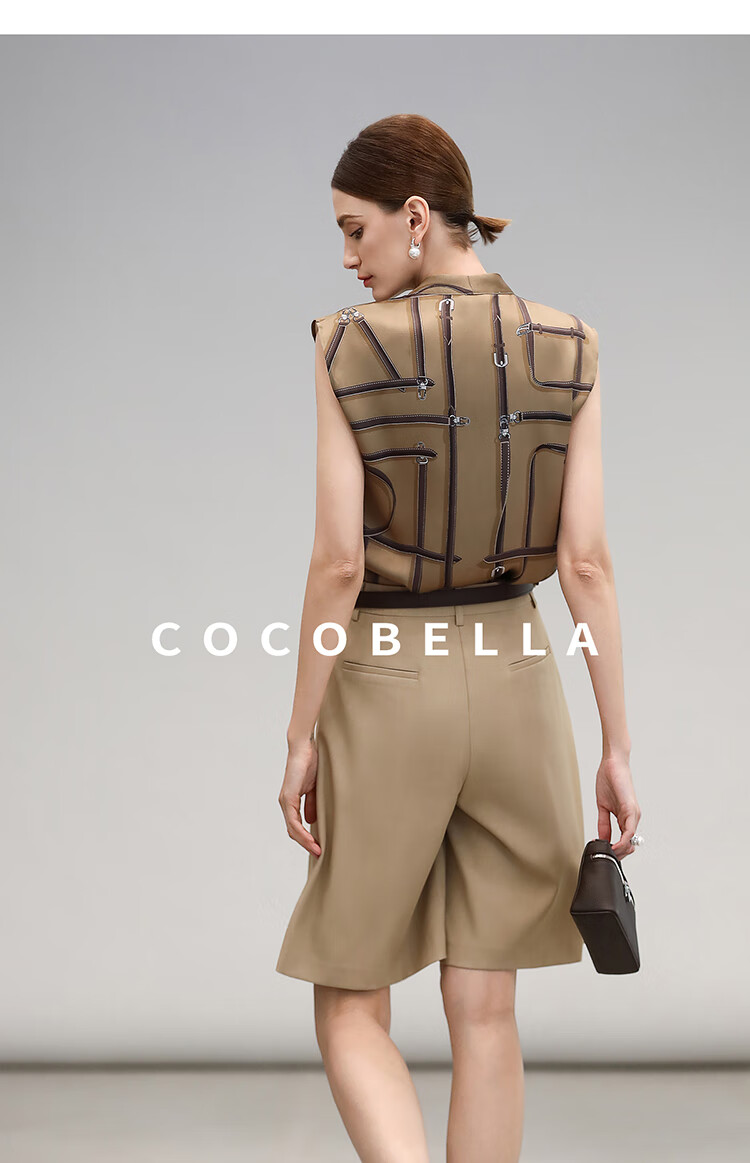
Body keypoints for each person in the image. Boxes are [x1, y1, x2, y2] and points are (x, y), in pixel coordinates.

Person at [275, 113, 641, 1163]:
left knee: (351, 1001)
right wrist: (616, 743)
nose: (349, 257)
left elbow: (338, 564)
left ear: (415, 215)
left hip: (389, 678)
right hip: (520, 675)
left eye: (355, 229)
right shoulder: (573, 343)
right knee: (486, 1008)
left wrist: (300, 735)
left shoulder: (347, 342)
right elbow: (587, 563)